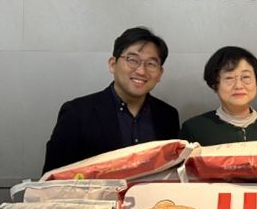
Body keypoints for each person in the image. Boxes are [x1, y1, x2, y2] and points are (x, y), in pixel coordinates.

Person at [42, 27, 179, 173]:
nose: (141, 71)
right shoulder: (77, 113)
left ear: (160, 73)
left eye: (151, 64)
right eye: (133, 60)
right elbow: (53, 177)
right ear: (113, 64)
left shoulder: (168, 116)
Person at [179, 46, 257, 146]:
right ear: (215, 84)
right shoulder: (194, 129)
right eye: (229, 78)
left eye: (246, 77)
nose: (238, 85)